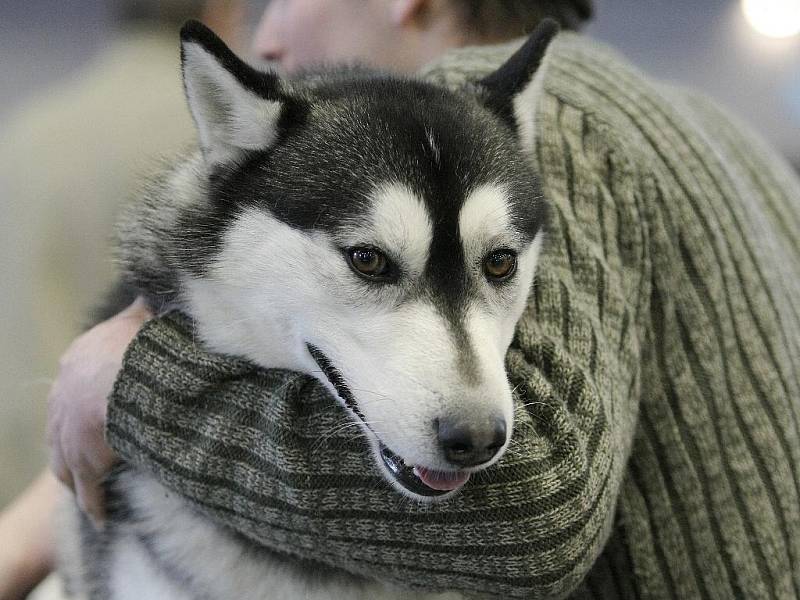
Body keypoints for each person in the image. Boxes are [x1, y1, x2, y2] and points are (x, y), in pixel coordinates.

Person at [7, 0, 800, 598]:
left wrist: (137, 385)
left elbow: (529, 514)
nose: (265, 33)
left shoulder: (522, 125)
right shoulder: (705, 128)